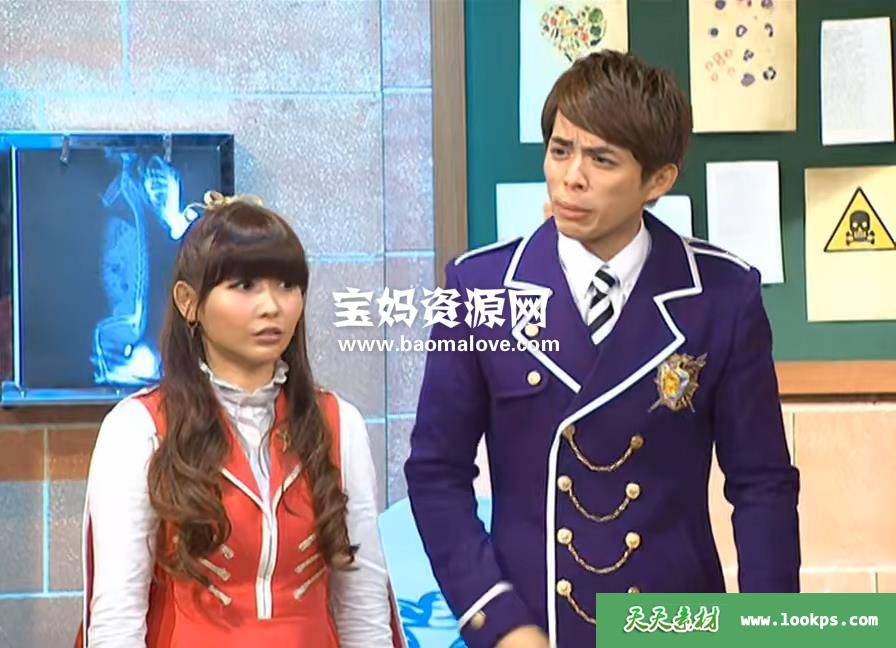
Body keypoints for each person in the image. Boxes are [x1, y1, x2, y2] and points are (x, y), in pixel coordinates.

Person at [405, 50, 800, 648]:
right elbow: (436, 474)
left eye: (601, 159)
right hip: (532, 626)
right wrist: (498, 621)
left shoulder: (721, 295)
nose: (571, 177)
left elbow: (761, 484)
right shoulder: (479, 287)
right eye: (560, 150)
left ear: (658, 181)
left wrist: (772, 632)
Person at [78, 193, 403, 647]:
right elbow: (116, 621)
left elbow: (363, 609)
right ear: (188, 302)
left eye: (287, 285)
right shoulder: (139, 430)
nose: (272, 306)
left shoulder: (337, 423)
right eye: (245, 285)